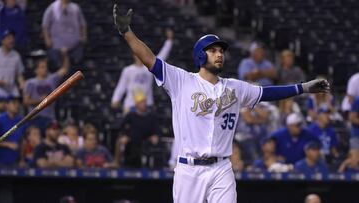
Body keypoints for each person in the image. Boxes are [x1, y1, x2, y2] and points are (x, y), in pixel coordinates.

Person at [113, 4, 330, 202]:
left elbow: (267, 93)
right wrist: (127, 33)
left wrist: (302, 88)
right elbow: (149, 59)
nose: (219, 55)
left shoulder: (235, 87)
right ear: (200, 55)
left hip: (221, 167)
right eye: (213, 50)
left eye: (221, 51)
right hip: (189, 170)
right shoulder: (181, 80)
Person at [111, 29, 174, 114]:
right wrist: (115, 99)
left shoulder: (149, 68)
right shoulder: (128, 70)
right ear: (134, 55)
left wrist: (169, 41)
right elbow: (121, 86)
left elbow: (162, 56)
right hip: (131, 105)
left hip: (147, 105)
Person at [23, 50, 69, 133]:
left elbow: (65, 69)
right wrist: (41, 100)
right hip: (35, 117)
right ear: (36, 70)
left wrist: (64, 55)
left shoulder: (51, 79)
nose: (45, 69)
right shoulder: (30, 83)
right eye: (42, 67)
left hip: (50, 117)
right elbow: (25, 101)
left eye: (45, 66)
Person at [115, 90, 161, 168]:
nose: (143, 104)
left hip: (146, 142)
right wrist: (124, 135)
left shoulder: (151, 117)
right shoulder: (130, 116)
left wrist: (156, 136)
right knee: (123, 144)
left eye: (144, 102)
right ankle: (118, 164)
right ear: (136, 104)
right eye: (141, 102)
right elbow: (121, 127)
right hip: (131, 142)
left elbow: (157, 129)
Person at [42, 0, 86, 68]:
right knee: (57, 68)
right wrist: (47, 39)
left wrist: (83, 37)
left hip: (74, 46)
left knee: (76, 68)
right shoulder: (52, 7)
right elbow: (45, 25)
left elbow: (82, 24)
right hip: (56, 46)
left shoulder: (75, 8)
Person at [0, 95, 26, 166]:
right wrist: (8, 144)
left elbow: (22, 141)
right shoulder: (0, 120)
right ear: (7, 105)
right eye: (14, 103)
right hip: (1, 160)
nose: (17, 105)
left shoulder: (22, 120)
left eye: (18, 103)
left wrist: (22, 160)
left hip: (16, 160)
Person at [0, 30, 25, 97]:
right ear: (3, 41)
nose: (11, 40)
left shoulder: (16, 55)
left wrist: (22, 83)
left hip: (12, 89)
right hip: (0, 88)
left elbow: (19, 74)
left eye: (12, 38)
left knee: (17, 102)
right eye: (9, 38)